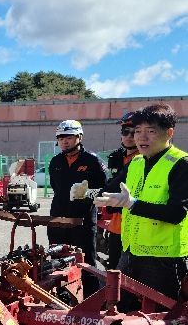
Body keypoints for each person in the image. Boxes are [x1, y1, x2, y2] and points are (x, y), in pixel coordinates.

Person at [94, 103, 188, 307]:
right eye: (137, 131)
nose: (141, 137)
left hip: (163, 259)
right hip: (130, 253)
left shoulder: (181, 163)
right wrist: (88, 194)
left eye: (150, 131)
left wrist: (132, 204)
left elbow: (176, 214)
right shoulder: (136, 163)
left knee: (160, 316)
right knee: (121, 310)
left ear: (169, 133)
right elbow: (109, 191)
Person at [49, 119, 107, 296]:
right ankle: (63, 297)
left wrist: (87, 195)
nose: (64, 142)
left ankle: (92, 300)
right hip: (58, 220)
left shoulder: (92, 161)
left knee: (86, 262)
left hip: (83, 222)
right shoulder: (55, 162)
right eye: (61, 138)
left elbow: (104, 189)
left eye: (69, 137)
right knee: (58, 261)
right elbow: (56, 188)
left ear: (79, 137)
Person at [103, 112, 139, 269]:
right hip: (116, 224)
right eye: (125, 132)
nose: (129, 136)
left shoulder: (144, 159)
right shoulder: (116, 157)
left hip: (136, 225)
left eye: (134, 132)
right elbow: (110, 184)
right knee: (113, 269)